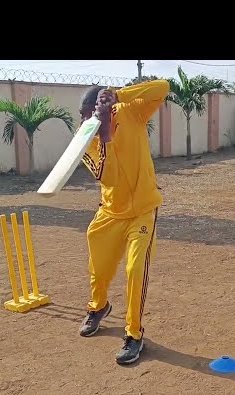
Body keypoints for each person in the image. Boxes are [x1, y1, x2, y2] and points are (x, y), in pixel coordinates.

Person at [77, 79, 169, 365]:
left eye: (89, 112)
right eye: (82, 115)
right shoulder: (85, 138)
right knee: (99, 267)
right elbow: (109, 177)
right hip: (110, 213)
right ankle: (99, 307)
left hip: (143, 209)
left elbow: (162, 88)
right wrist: (104, 136)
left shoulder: (131, 111)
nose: (83, 119)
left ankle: (133, 334)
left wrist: (119, 94)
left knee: (135, 268)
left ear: (109, 108)